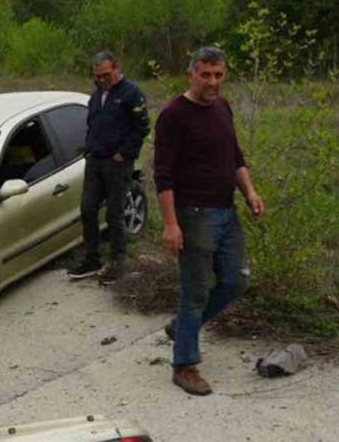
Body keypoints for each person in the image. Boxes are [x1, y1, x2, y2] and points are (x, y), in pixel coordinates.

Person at [154, 46, 265, 396]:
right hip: (194, 215)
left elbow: (235, 156)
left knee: (236, 280)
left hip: (227, 211)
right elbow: (163, 175)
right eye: (205, 75)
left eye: (218, 75)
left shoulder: (222, 107)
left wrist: (249, 192)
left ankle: (183, 327)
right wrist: (171, 224)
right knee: (196, 290)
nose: (213, 82)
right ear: (191, 74)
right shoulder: (173, 115)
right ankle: (184, 364)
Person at [68, 51, 150, 283]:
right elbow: (93, 125)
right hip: (95, 160)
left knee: (114, 213)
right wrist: (89, 149)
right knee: (88, 209)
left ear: (116, 68)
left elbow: (142, 127)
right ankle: (92, 258)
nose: (101, 79)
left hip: (117, 163)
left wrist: (124, 154)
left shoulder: (131, 93)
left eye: (105, 74)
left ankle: (118, 262)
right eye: (97, 76)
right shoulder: (96, 96)